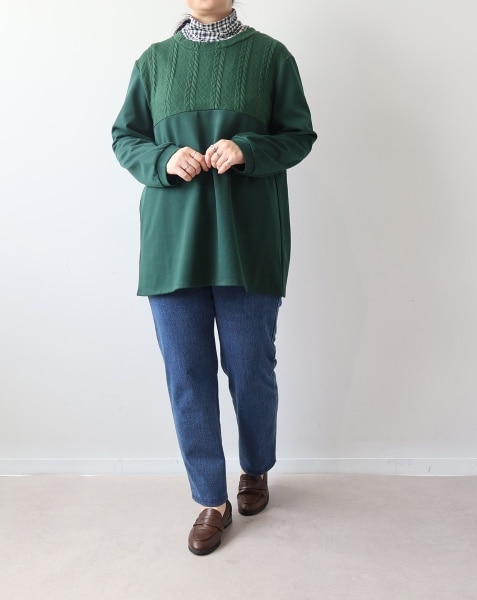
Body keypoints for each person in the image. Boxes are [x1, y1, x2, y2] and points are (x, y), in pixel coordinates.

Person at [111, 0, 316, 556]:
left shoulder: (271, 57)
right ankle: (210, 499)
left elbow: (299, 136)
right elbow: (125, 137)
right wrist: (162, 159)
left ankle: (255, 467)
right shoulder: (154, 61)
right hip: (172, 246)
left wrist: (247, 149)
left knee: (251, 368)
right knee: (187, 375)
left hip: (247, 242)